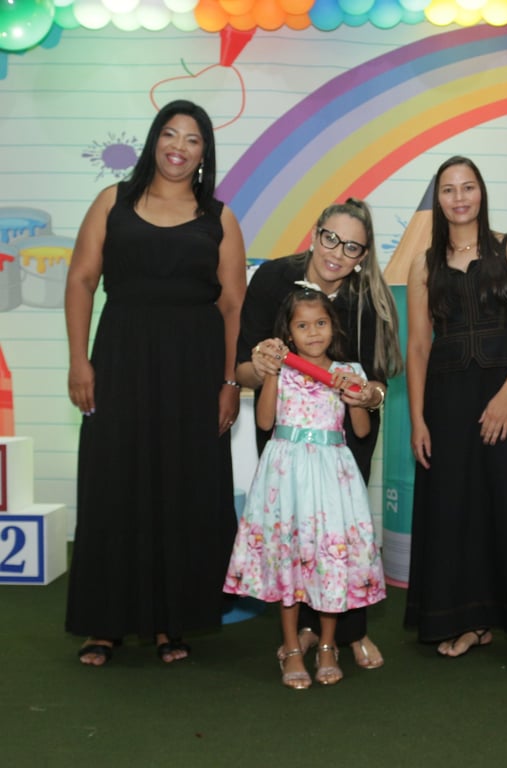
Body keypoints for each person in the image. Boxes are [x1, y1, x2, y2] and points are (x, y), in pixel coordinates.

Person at [64, 100, 247, 666]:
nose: (179, 147)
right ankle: (104, 625)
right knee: (113, 483)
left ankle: (174, 623)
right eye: (170, 134)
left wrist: (230, 382)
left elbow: (234, 305)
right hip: (120, 359)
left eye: (193, 139)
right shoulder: (113, 202)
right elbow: (81, 280)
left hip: (195, 368)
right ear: (154, 140)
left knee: (183, 488)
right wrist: (78, 361)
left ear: (204, 152)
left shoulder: (219, 217)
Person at [404, 156, 507, 666]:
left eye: (468, 187)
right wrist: (417, 420)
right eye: (449, 189)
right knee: (458, 512)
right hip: (448, 404)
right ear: (438, 199)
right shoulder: (423, 264)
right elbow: (418, 347)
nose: (459, 198)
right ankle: (471, 623)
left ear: (481, 192)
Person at [235, 198, 403, 669]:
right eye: (331, 238)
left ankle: (350, 631)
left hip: (343, 435)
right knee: (295, 529)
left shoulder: (369, 299)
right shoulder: (272, 278)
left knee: (339, 530)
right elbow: (242, 368)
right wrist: (261, 367)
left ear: (364, 255)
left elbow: (377, 383)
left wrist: (366, 396)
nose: (337, 253)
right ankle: (303, 631)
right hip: (287, 430)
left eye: (352, 247)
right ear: (315, 234)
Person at [224, 286, 386, 688]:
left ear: (333, 327)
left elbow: (361, 431)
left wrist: (354, 396)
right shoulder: (282, 372)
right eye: (302, 325)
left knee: (329, 558)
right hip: (287, 475)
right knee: (289, 558)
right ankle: (292, 647)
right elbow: (265, 423)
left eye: (321, 323)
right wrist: (272, 375)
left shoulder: (349, 370)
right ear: (288, 333)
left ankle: (328, 645)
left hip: (332, 476)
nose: (313, 332)